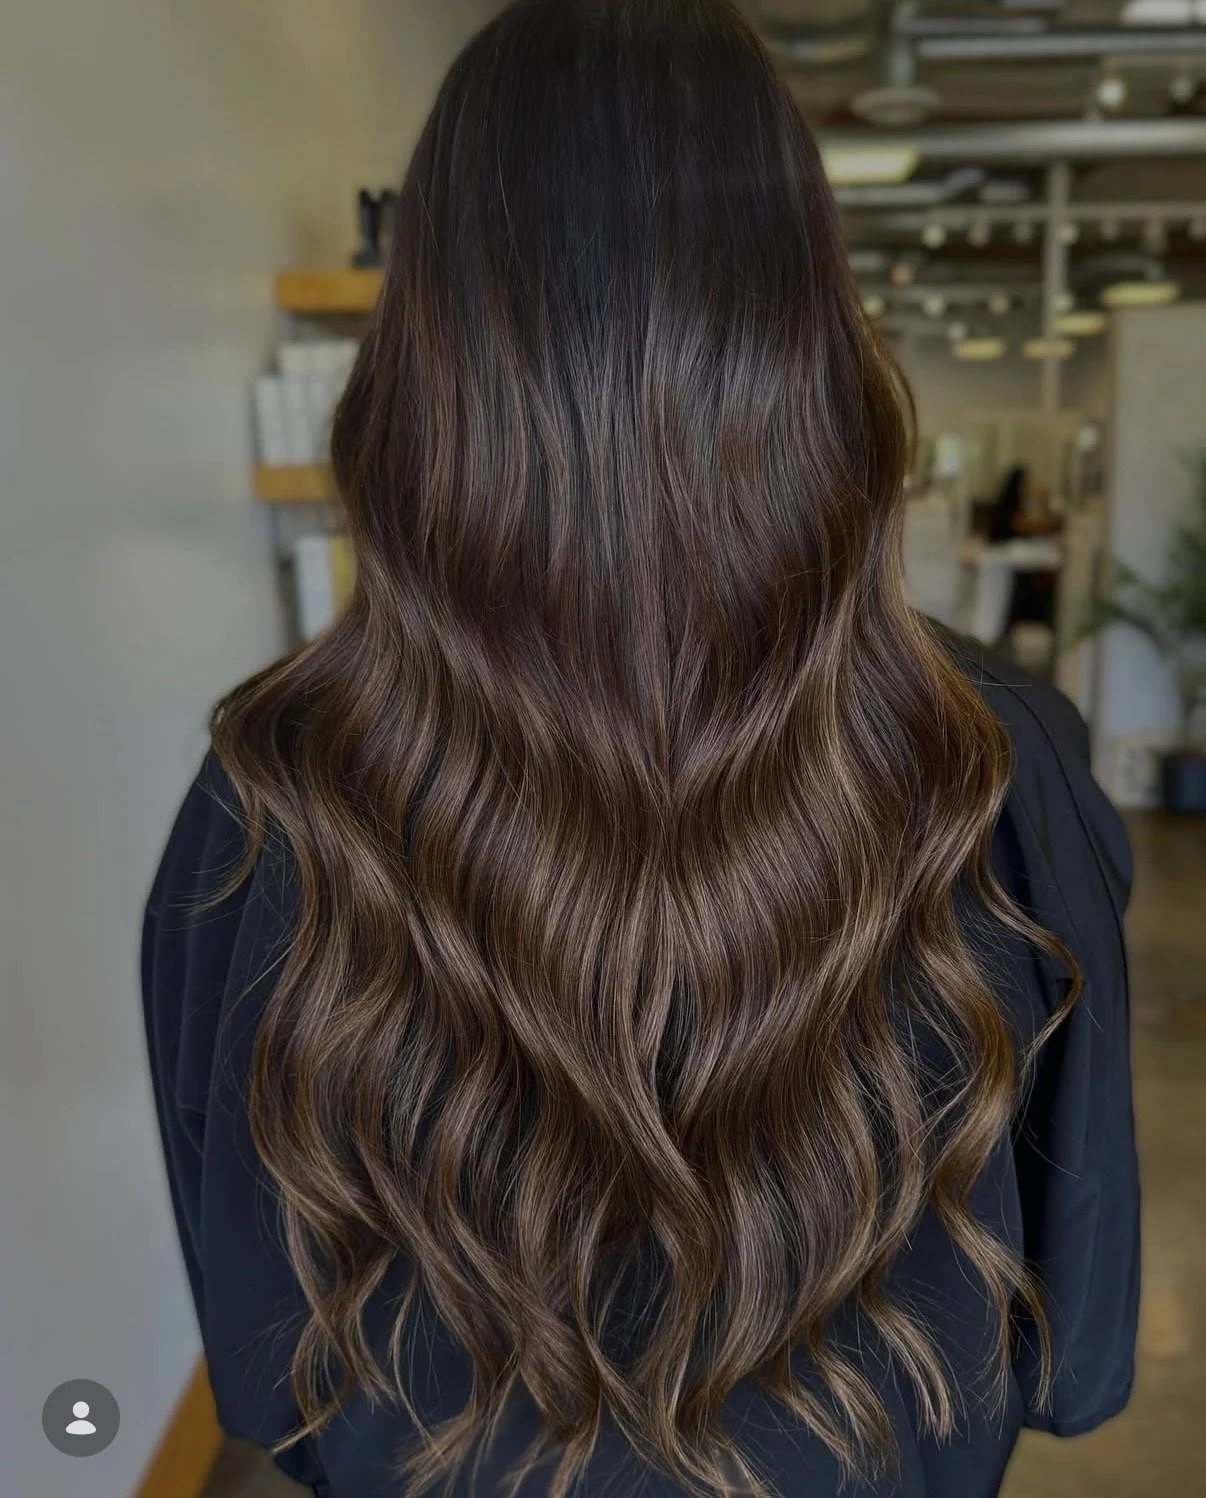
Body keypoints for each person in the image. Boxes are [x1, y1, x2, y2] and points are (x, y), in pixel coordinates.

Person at [141, 4, 1139, 1496]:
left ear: (438, 340)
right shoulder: (991, 762)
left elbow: (260, 1342)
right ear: (802, 327)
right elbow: (1076, 1327)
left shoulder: (272, 789)